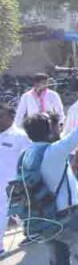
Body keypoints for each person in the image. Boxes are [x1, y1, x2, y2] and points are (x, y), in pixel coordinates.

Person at [21, 96, 78, 265]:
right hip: (70, 216)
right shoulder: (54, 150)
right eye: (56, 127)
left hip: (44, 217)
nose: (59, 129)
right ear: (49, 131)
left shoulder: (27, 154)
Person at [0, 104, 31, 256]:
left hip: (12, 184)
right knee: (12, 213)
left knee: (8, 212)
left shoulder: (20, 137)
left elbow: (30, 159)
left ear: (11, 117)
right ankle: (31, 230)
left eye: (1, 116)